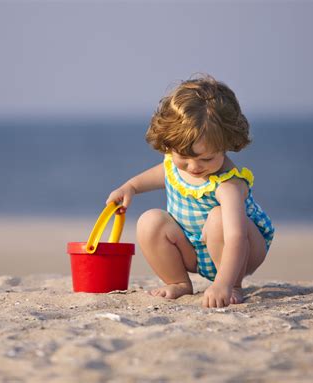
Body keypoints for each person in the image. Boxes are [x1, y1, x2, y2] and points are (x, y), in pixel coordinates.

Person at [106, 74, 274, 308]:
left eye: (207, 158)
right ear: (169, 145)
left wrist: (224, 284)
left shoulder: (228, 184)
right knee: (150, 221)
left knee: (218, 219)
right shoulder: (174, 166)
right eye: (184, 157)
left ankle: (233, 284)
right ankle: (178, 282)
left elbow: (235, 236)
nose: (194, 167)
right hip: (195, 249)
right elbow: (154, 177)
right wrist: (129, 188)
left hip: (240, 251)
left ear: (226, 145)